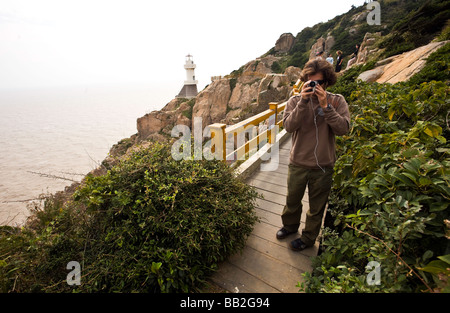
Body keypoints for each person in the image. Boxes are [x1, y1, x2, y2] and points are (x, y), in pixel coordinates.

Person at [277, 58, 350, 251]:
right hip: (298, 162)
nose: (312, 86)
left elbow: (343, 129)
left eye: (317, 83)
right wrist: (303, 101)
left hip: (323, 166)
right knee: (292, 201)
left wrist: (326, 107)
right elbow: (288, 126)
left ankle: (308, 238)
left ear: (326, 83)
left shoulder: (337, 100)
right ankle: (289, 226)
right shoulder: (294, 101)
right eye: (309, 82)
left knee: (316, 208)